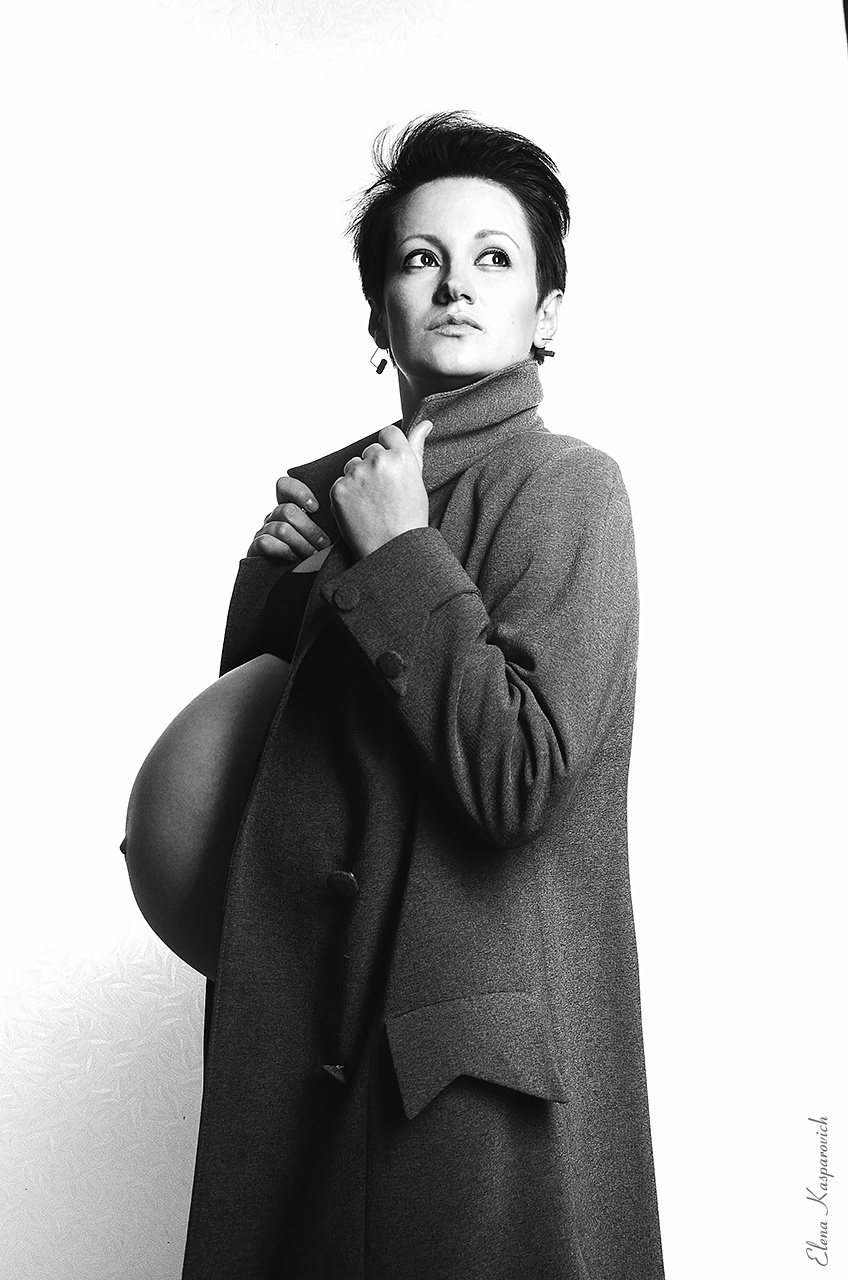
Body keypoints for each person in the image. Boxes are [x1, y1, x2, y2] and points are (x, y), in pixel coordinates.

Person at [130, 110, 664, 1279]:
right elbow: (279, 778)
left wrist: (399, 553)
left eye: (493, 256)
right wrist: (276, 585)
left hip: (456, 1085)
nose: (456, 284)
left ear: (548, 311)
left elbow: (519, 776)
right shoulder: (348, 494)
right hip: (304, 1054)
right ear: (378, 314)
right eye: (421, 258)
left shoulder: (565, 487)